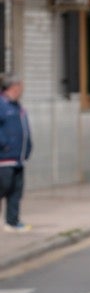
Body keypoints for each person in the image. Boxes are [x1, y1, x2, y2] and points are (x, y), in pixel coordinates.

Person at [0, 74, 32, 232]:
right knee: (3, 187)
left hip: (18, 158)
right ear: (13, 87)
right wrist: (4, 144)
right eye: (20, 86)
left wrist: (28, 148)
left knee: (16, 191)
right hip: (4, 158)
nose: (22, 89)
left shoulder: (17, 106)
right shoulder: (2, 105)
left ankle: (12, 222)